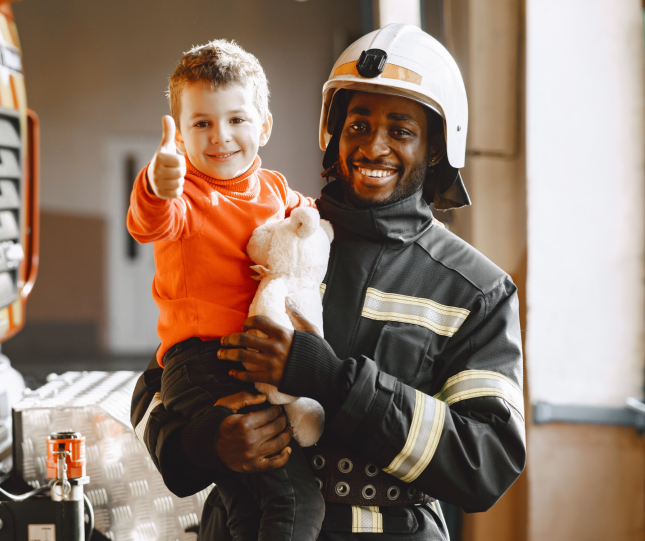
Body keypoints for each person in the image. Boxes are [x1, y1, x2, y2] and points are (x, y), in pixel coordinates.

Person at [131, 24, 526, 539]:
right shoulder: (277, 236)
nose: (374, 147)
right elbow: (162, 378)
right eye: (358, 126)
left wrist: (333, 381)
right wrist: (202, 445)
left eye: (402, 131)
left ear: (435, 148)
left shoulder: (475, 289)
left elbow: (486, 462)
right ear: (333, 133)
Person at [126, 39, 325, 540]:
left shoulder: (276, 190)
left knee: (248, 504)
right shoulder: (184, 194)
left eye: (236, 120)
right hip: (202, 365)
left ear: (265, 125)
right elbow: (149, 221)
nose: (221, 137)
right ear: (182, 135)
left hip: (256, 362)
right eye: (201, 124)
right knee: (297, 499)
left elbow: (317, 225)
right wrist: (155, 181)